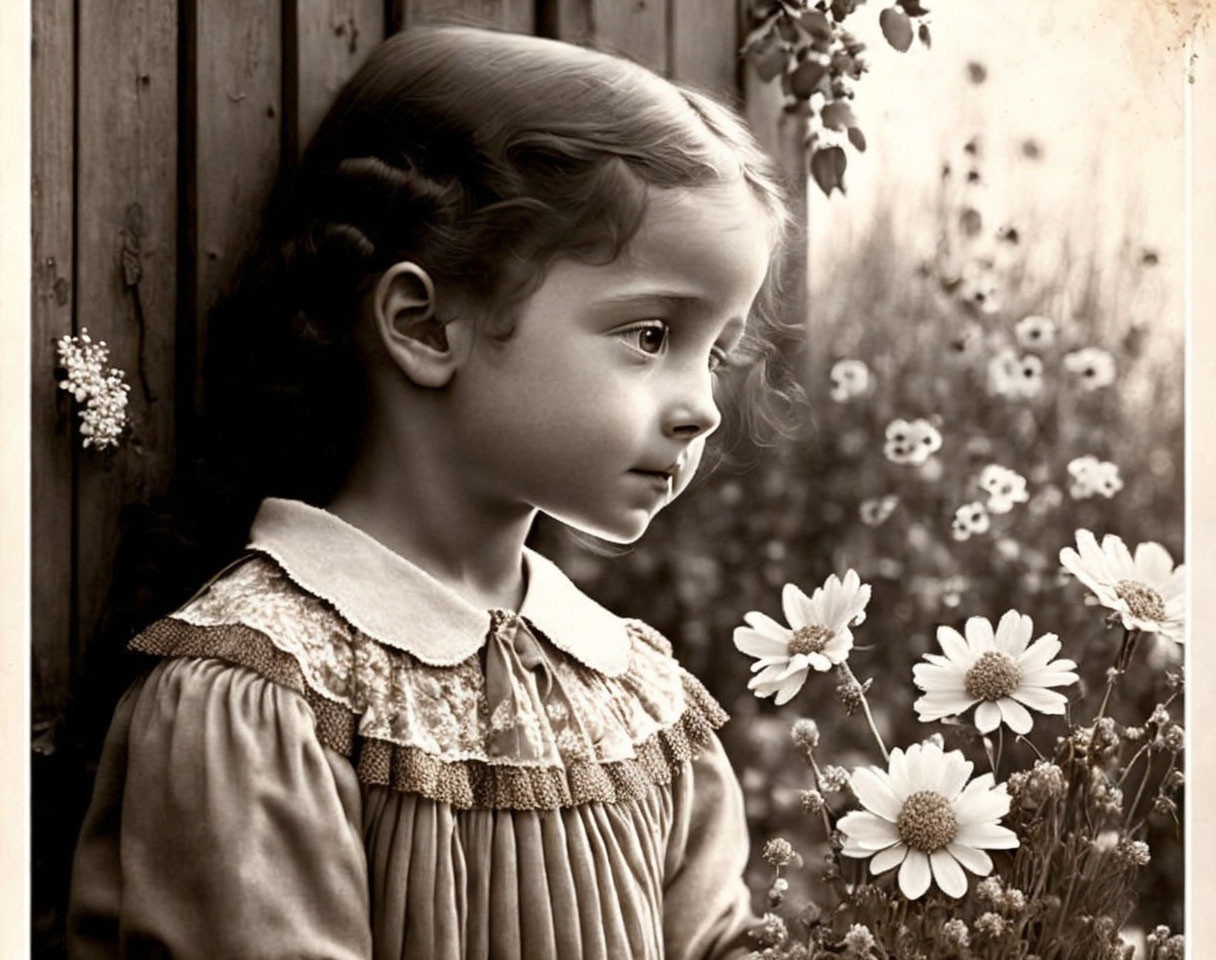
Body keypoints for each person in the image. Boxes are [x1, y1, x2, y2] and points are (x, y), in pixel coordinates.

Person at [67, 24, 795, 960]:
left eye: (718, 350)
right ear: (425, 325)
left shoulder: (642, 699)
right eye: (651, 335)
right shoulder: (264, 693)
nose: (702, 406)